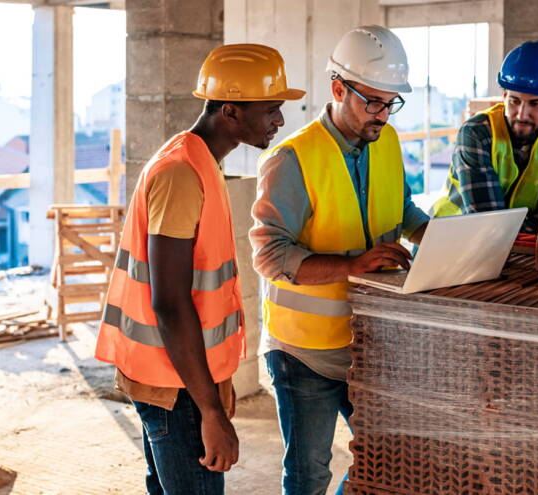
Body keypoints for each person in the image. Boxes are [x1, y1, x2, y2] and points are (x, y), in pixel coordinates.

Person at [95, 44, 304, 495]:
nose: (279, 121)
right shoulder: (181, 175)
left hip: (182, 376)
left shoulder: (199, 162)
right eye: (271, 109)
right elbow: (169, 303)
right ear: (230, 110)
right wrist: (210, 411)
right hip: (176, 386)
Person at [250, 25, 430, 495]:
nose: (384, 115)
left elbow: (403, 209)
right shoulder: (292, 159)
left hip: (371, 343)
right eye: (373, 101)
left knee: (388, 459)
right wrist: (354, 265)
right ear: (337, 89)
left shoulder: (386, 142)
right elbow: (271, 255)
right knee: (309, 475)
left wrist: (436, 237)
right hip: (303, 352)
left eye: (392, 102)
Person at [431, 40, 538, 233]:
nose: (522, 114)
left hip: (516, 249)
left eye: (534, 103)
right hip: (448, 242)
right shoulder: (476, 133)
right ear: (504, 95)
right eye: (515, 101)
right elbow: (488, 222)